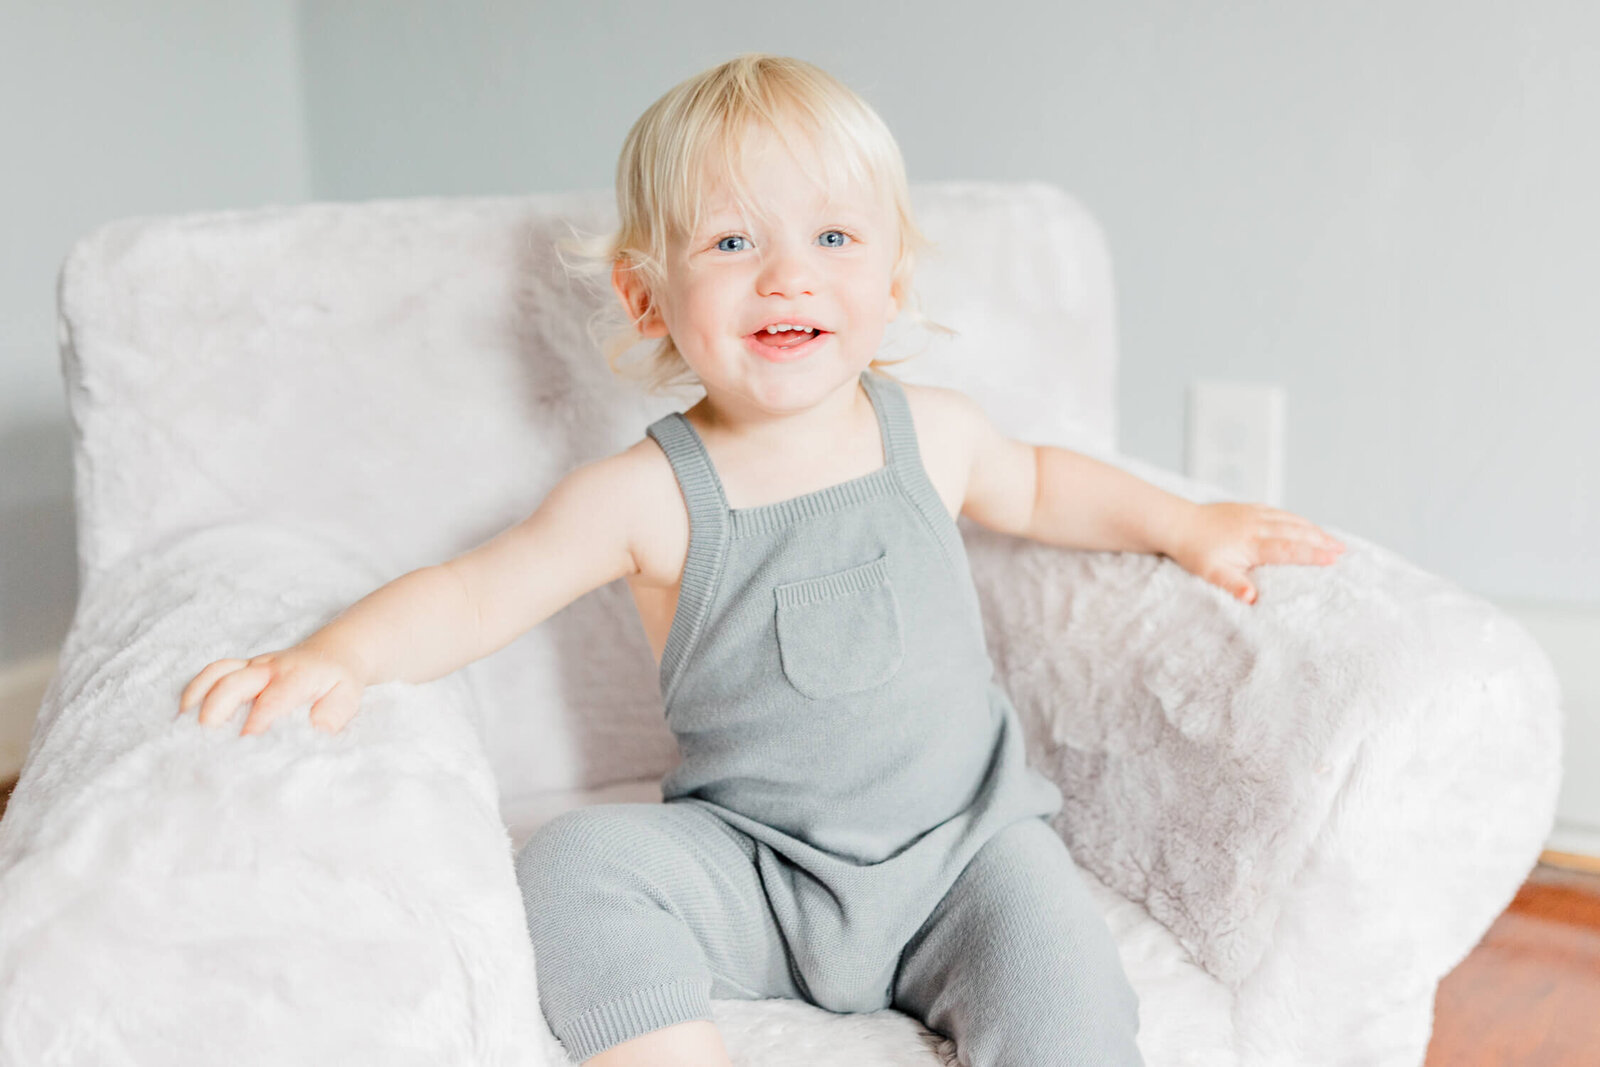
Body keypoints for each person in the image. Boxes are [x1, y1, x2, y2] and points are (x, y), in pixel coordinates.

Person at [177, 53, 1345, 1067]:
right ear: (647, 296)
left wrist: (1187, 525)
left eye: (832, 238)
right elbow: (475, 590)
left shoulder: (930, 433)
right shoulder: (643, 495)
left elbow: (1044, 481)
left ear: (887, 283)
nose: (787, 274)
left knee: (1068, 977)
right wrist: (339, 652)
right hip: (759, 871)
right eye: (732, 241)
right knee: (573, 864)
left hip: (968, 859)